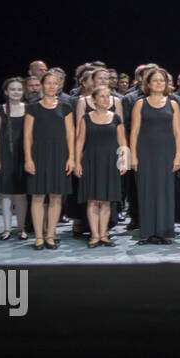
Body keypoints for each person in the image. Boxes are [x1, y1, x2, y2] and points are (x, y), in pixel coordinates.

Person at [23, 70, 75, 250]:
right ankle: (38, 237)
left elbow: (70, 135)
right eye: (48, 83)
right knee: (38, 196)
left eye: (55, 83)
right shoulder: (32, 108)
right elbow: (27, 136)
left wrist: (72, 158)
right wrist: (28, 159)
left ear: (59, 86)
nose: (51, 86)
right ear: (42, 86)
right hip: (38, 155)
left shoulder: (66, 107)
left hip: (60, 155)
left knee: (55, 196)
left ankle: (51, 235)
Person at [130, 66, 180, 245]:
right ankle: (147, 232)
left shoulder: (173, 104)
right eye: (155, 80)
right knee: (146, 191)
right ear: (148, 84)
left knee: (165, 191)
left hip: (166, 154)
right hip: (145, 153)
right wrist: (133, 156)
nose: (159, 83)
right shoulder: (140, 103)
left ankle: (163, 231)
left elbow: (177, 133)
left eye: (162, 80)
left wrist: (178, 155)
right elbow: (134, 131)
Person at [75, 85, 125, 247]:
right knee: (92, 200)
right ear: (94, 100)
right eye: (102, 96)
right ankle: (94, 235)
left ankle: (104, 234)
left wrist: (123, 162)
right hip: (91, 161)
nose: (106, 99)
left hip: (110, 162)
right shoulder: (86, 118)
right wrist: (77, 162)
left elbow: (122, 141)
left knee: (106, 200)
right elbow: (80, 141)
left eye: (108, 96)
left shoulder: (116, 118)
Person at [0, 77, 28, 240]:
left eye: (19, 89)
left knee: (21, 195)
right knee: (6, 195)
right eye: (12, 89)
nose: (16, 92)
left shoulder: (29, 109)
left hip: (24, 156)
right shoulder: (0, 110)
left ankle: (21, 228)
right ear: (6, 92)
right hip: (6, 156)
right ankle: (6, 228)